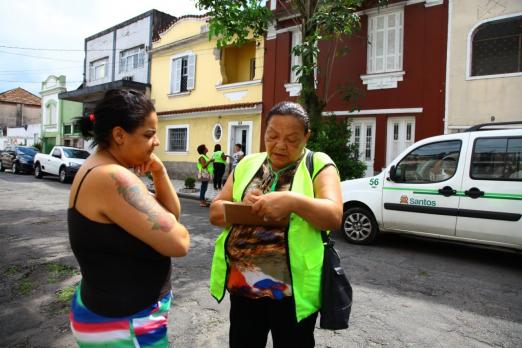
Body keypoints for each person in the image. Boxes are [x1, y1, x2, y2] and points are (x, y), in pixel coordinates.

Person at [209, 101, 343, 348]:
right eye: (272, 136)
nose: (280, 145)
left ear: (307, 136)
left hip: (293, 293)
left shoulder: (318, 164)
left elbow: (334, 215)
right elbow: (216, 212)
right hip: (245, 287)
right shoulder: (248, 164)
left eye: (292, 139)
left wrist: (293, 201)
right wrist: (242, 205)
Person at [68, 90, 190, 347]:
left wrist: (159, 171)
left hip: (116, 315)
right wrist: (175, 228)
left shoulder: (100, 167)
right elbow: (179, 241)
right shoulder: (113, 177)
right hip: (124, 323)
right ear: (119, 135)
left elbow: (171, 215)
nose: (156, 142)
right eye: (148, 134)